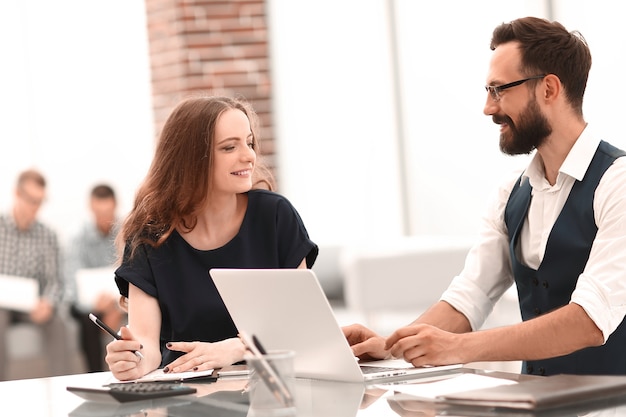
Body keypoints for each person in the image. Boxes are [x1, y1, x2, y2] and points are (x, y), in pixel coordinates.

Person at [344, 16, 626, 376]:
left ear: (549, 89)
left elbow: (589, 320)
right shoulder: (511, 193)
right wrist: (394, 345)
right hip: (535, 405)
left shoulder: (618, 183)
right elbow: (469, 297)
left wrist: (458, 349)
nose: (489, 108)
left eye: (500, 90)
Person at [105, 95, 318, 381]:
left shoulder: (275, 216)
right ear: (192, 158)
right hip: (185, 395)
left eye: (249, 142)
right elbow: (146, 344)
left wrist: (238, 348)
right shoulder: (149, 234)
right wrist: (133, 362)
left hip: (269, 392)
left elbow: (301, 326)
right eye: (230, 147)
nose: (249, 155)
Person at [0, 169, 69, 380]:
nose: (35, 207)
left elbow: (55, 281)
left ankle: (62, 388)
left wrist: (47, 302)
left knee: (57, 324)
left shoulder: (47, 235)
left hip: (32, 304)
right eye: (31, 200)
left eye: (40, 201)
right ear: (17, 194)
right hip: (1, 304)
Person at [66, 184, 125, 372]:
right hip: (90, 305)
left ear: (115, 206)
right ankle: (94, 373)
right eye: (99, 213)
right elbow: (72, 286)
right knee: (86, 318)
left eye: (108, 212)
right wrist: (95, 305)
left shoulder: (127, 232)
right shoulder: (78, 238)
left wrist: (118, 306)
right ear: (91, 207)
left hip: (122, 301)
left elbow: (137, 275)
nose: (104, 219)